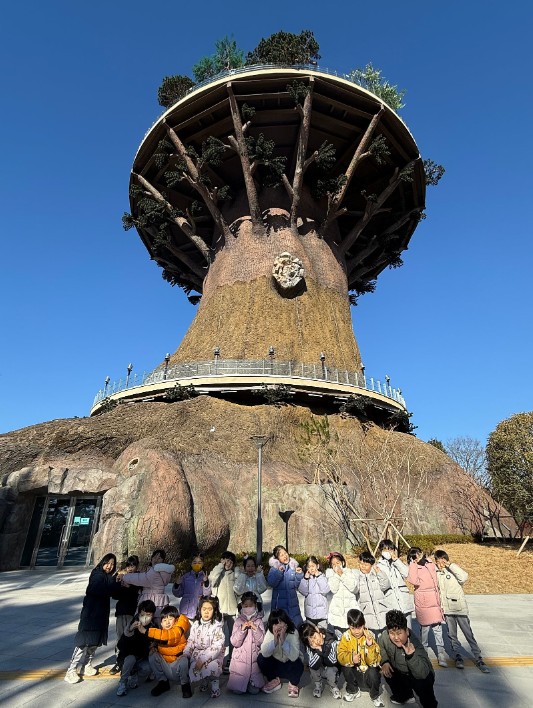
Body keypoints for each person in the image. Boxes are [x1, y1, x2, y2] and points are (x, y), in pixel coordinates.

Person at [64, 553, 122, 684]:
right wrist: (115, 582)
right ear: (103, 562)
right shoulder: (97, 575)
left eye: (112, 564)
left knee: (94, 641)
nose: (109, 566)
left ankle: (86, 665)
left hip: (101, 614)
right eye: (107, 563)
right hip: (90, 614)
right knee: (83, 642)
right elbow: (100, 589)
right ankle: (71, 670)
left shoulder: (108, 577)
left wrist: (118, 583)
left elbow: (113, 592)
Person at [434, 550, 490, 673]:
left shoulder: (453, 570)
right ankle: (457, 656)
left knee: (468, 634)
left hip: (459, 608)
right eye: (437, 560)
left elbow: (464, 577)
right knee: (452, 635)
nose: (440, 563)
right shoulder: (436, 573)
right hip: (447, 609)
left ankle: (478, 657)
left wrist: (450, 565)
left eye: (442, 560)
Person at [379, 609, 438, 708]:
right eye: (392, 633)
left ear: (406, 631)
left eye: (399, 633)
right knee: (387, 671)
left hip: (418, 674)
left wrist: (411, 656)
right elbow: (381, 646)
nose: (396, 637)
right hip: (400, 672)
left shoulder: (415, 644)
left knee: (423, 684)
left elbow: (423, 673)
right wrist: (385, 662)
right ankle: (404, 696)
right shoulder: (385, 636)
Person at [406, 547, 447, 667]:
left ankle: (441, 653)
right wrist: (413, 564)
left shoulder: (429, 563)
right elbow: (413, 581)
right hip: (423, 601)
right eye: (415, 555)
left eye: (419, 553)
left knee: (438, 628)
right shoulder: (414, 567)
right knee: (425, 629)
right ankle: (424, 653)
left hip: (434, 599)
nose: (418, 556)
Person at [140, 604, 191, 697]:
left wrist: (146, 631)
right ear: (161, 623)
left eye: (170, 619)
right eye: (164, 620)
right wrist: (153, 648)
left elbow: (168, 637)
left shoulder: (177, 631)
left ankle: (185, 685)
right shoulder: (161, 633)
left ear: (176, 620)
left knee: (184, 660)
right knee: (153, 655)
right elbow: (161, 638)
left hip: (177, 665)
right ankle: (163, 682)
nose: (167, 622)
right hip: (166, 666)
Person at [337, 609, 383, 706]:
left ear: (364, 624)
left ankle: (374, 695)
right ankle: (353, 690)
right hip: (356, 674)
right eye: (353, 628)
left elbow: (375, 662)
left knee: (374, 671)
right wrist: (351, 659)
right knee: (346, 667)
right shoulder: (346, 637)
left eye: (359, 627)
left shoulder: (370, 636)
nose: (356, 631)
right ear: (349, 626)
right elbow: (340, 655)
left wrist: (370, 646)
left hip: (367, 674)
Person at [184, 596, 226, 698]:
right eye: (204, 609)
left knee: (212, 667)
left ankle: (215, 684)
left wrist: (203, 659)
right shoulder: (195, 625)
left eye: (210, 609)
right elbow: (191, 641)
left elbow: (217, 646)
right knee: (194, 667)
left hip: (213, 655)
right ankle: (204, 680)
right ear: (200, 610)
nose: (206, 612)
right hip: (197, 654)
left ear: (214, 611)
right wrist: (186, 653)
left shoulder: (217, 627)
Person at [258, 608, 304, 698]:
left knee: (298, 663)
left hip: (289, 664)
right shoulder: (270, 632)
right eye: (275, 623)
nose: (278, 626)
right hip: (276, 664)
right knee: (261, 658)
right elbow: (264, 653)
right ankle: (274, 680)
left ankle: (293, 683)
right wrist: (275, 641)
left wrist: (283, 641)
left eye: (281, 622)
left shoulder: (293, 632)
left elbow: (294, 657)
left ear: (286, 623)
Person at [115, 599, 156, 696]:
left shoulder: (153, 627)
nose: (145, 618)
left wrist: (146, 634)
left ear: (153, 615)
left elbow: (152, 646)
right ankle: (123, 682)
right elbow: (121, 646)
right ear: (138, 614)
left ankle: (134, 674)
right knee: (130, 659)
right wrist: (129, 631)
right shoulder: (133, 624)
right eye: (142, 615)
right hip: (127, 658)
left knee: (149, 666)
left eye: (148, 615)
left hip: (141, 658)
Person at [227, 591, 266, 694]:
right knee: (238, 691)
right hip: (240, 659)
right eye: (245, 606)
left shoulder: (259, 621)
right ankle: (240, 683)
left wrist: (255, 629)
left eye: (251, 606)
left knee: (254, 691)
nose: (248, 608)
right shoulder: (238, 621)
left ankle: (251, 682)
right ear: (242, 606)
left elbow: (261, 641)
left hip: (254, 659)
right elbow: (234, 642)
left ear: (255, 606)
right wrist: (242, 629)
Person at [121, 549, 175, 619]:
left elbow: (140, 578)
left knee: (145, 623)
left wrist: (124, 577)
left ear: (162, 561)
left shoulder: (154, 571)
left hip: (150, 602)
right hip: (160, 602)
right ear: (151, 558)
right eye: (155, 557)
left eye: (159, 558)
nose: (156, 559)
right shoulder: (163, 572)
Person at [110, 555, 141, 674]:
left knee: (131, 637)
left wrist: (129, 587)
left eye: (133, 566)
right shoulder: (122, 578)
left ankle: (131, 663)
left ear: (137, 567)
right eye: (128, 566)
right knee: (120, 637)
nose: (130, 568)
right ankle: (119, 662)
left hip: (132, 613)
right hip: (121, 612)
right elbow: (114, 595)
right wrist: (118, 582)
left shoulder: (139, 579)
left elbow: (137, 593)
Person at [209, 550, 238, 672]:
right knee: (218, 636)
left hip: (232, 610)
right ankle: (218, 659)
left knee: (233, 636)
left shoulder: (234, 575)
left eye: (230, 561)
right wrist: (220, 566)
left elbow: (239, 590)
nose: (228, 563)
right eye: (225, 560)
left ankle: (232, 659)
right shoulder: (217, 573)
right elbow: (212, 580)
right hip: (219, 610)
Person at [298, 620, 342, 700]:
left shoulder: (330, 640)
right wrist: (318, 649)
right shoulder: (310, 647)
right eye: (311, 641)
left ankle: (333, 686)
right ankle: (318, 685)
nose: (316, 641)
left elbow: (333, 662)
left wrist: (323, 649)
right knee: (312, 667)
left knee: (331, 670)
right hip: (321, 669)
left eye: (315, 637)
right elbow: (312, 665)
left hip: (332, 668)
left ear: (317, 630)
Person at [377, 540, 414, 627]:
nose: (388, 552)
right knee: (396, 629)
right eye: (385, 549)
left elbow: (407, 574)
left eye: (390, 549)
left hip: (404, 600)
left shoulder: (398, 562)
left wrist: (397, 561)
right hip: (391, 602)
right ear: (381, 551)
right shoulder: (378, 566)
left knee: (408, 629)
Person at [267, 545, 304, 626]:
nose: (285, 556)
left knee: (295, 627)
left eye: (285, 553)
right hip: (279, 605)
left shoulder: (292, 568)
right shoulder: (274, 569)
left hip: (293, 604)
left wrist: (299, 575)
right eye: (281, 555)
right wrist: (279, 573)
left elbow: (296, 585)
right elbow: (271, 583)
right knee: (281, 627)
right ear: (277, 558)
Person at [325, 551, 360, 633]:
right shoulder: (331, 576)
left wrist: (342, 575)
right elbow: (333, 589)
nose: (336, 566)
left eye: (338, 563)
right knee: (339, 635)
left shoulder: (350, 573)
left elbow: (353, 587)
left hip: (350, 609)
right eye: (333, 564)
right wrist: (337, 575)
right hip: (337, 612)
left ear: (343, 563)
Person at [356, 551, 391, 634]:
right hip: (367, 613)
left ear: (371, 565)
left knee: (384, 636)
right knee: (371, 637)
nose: (363, 566)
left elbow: (385, 585)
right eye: (361, 563)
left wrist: (380, 573)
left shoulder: (376, 575)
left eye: (366, 564)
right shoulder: (357, 577)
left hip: (381, 610)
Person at [172, 554, 211, 620]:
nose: (197, 565)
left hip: (199, 610)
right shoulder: (185, 577)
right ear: (191, 564)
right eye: (194, 563)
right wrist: (177, 584)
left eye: (199, 563)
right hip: (185, 610)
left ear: (203, 564)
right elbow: (178, 594)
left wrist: (206, 582)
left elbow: (207, 594)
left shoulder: (205, 577)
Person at [298, 555, 330, 626]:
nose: (311, 569)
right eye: (309, 567)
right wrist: (305, 579)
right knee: (310, 632)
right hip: (310, 614)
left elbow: (325, 590)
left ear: (317, 566)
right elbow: (303, 592)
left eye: (313, 566)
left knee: (322, 631)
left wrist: (318, 576)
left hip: (321, 614)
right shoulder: (306, 578)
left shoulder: (322, 577)